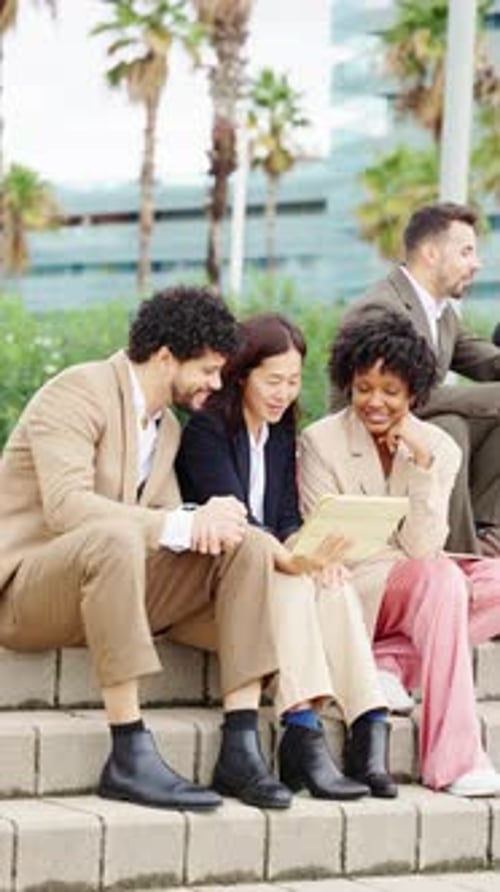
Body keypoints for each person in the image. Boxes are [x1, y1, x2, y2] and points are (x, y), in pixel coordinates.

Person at [0, 285, 370, 813]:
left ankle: (240, 743)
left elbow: (174, 533)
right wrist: (181, 522)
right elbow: (67, 509)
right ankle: (128, 749)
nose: (217, 384)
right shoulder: (76, 391)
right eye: (207, 370)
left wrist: (214, 523)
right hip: (27, 593)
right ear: (165, 356)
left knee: (244, 544)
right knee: (115, 536)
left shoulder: (166, 428)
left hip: (116, 592)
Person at [176, 312, 397, 799]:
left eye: (294, 382)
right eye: (273, 381)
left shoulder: (278, 435)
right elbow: (241, 529)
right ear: (241, 375)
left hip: (269, 575)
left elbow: (284, 518)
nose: (284, 393)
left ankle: (368, 723)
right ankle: (300, 729)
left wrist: (312, 552)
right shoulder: (206, 433)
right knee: (296, 581)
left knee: (331, 582)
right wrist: (294, 562)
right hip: (214, 589)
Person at [300, 310, 500, 797]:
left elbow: (422, 545)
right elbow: (328, 543)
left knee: (482, 581)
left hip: (419, 576)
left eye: (390, 392)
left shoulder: (435, 447)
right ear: (349, 383)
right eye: (364, 387)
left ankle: (389, 664)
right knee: (442, 580)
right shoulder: (320, 441)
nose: (375, 402)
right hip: (354, 582)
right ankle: (455, 759)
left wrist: (421, 465)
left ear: (414, 394)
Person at [331, 201, 500, 556]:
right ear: (431, 253)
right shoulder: (381, 307)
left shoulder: (441, 314)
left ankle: (486, 533)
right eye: (467, 252)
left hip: (412, 431)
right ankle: (461, 556)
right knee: (449, 428)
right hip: (366, 440)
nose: (476, 264)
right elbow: (378, 399)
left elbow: (487, 360)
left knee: (453, 424)